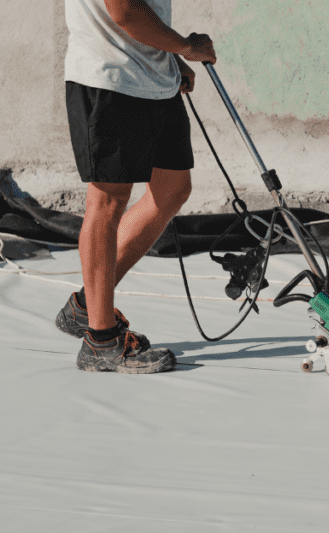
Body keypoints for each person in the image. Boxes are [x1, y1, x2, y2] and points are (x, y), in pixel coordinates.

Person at [56, 0, 217, 373]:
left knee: (172, 189)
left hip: (153, 79)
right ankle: (100, 340)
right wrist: (184, 47)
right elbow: (124, 11)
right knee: (107, 200)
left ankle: (86, 306)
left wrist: (169, 55)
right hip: (108, 79)